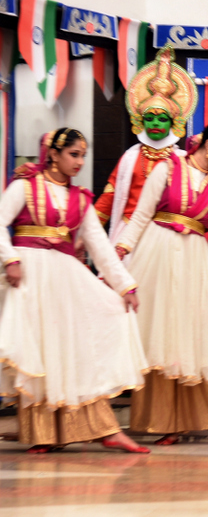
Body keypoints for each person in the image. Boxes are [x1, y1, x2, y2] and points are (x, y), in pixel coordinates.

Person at [0, 129, 150, 454]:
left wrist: (125, 285)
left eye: (83, 155)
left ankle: (104, 430)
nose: (80, 161)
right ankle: (43, 434)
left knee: (75, 350)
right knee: (40, 351)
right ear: (53, 154)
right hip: (30, 278)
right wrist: (10, 258)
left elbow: (100, 248)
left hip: (65, 280)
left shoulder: (81, 199)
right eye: (74, 154)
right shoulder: (24, 186)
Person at [115, 121, 208, 444]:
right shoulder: (167, 168)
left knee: (190, 338)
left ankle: (190, 422)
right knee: (160, 337)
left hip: (195, 265)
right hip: (156, 257)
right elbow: (140, 216)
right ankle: (163, 422)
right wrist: (117, 257)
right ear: (207, 145)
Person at [95, 45, 187, 242]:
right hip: (128, 233)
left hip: (165, 237)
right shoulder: (130, 157)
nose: (154, 123)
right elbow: (110, 196)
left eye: (162, 119)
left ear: (173, 123)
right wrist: (90, 232)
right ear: (140, 121)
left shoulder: (183, 161)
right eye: (150, 118)